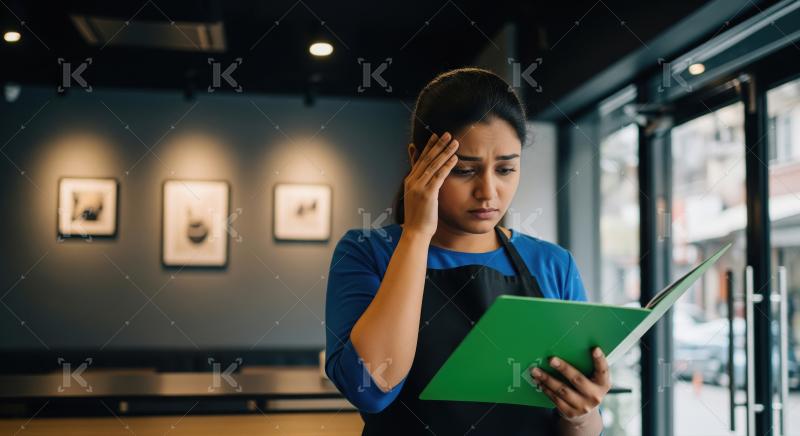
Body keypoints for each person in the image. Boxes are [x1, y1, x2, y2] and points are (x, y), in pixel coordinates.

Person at [325, 67, 608, 435]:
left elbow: (577, 428)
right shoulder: (367, 252)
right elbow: (370, 391)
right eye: (463, 170)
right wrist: (416, 234)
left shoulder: (554, 265)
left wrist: (581, 414)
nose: (488, 192)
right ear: (418, 161)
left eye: (506, 169)